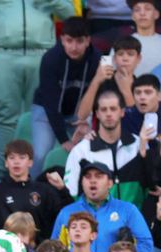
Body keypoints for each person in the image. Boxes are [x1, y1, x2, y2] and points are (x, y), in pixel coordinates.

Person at [0, 0, 75, 173]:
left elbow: (70, 14)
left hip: (42, 55)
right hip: (4, 54)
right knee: (6, 118)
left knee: (39, 118)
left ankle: (37, 175)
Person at [30, 16, 100, 179]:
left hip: (79, 114)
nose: (74, 47)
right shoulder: (51, 59)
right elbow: (50, 101)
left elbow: (98, 95)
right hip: (46, 111)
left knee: (89, 150)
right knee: (40, 154)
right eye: (69, 41)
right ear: (62, 39)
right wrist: (63, 139)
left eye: (79, 41)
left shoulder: (96, 59)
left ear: (88, 40)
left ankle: (81, 189)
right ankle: (31, 189)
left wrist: (85, 119)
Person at [51, 161, 154, 252]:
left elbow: (146, 244)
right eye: (87, 177)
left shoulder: (127, 210)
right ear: (82, 183)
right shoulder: (66, 212)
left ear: (110, 183)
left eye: (98, 176)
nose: (92, 181)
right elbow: (54, 249)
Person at [66, 89, 150, 206]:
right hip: (96, 222)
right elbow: (71, 193)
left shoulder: (139, 145)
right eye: (104, 109)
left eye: (113, 109)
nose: (109, 114)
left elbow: (151, 188)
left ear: (122, 112)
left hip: (133, 220)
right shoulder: (81, 151)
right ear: (97, 114)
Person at [0, 139, 72, 240]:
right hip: (6, 249)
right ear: (6, 163)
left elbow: (67, 214)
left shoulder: (43, 190)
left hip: (39, 251)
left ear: (30, 162)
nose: (16, 162)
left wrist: (62, 189)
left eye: (22, 157)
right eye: (12, 158)